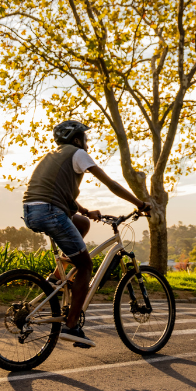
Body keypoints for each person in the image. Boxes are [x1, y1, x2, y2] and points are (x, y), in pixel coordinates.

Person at [22, 120, 150, 348]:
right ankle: (72, 326)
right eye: (85, 138)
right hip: (51, 211)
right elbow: (110, 184)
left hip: (33, 210)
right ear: (77, 139)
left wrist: (83, 210)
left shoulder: (52, 156)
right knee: (86, 265)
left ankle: (57, 277)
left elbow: (56, 191)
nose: (87, 142)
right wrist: (140, 203)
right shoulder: (78, 153)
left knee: (81, 223)